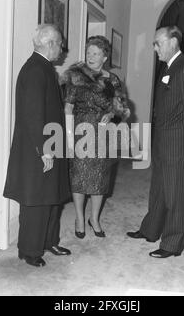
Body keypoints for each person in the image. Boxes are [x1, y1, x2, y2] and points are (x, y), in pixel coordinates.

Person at [127, 26, 184, 258]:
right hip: (162, 141)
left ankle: (172, 244)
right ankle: (151, 230)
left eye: (158, 43)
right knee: (158, 191)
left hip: (178, 144)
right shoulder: (167, 67)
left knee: (176, 196)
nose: (154, 47)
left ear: (173, 42)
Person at [3, 24, 71, 267]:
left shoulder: (44, 68)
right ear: (50, 44)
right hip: (39, 150)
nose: (61, 50)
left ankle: (49, 240)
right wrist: (44, 150)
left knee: (52, 197)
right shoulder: (34, 70)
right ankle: (29, 250)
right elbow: (32, 116)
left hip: (50, 144)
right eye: (60, 45)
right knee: (36, 201)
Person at [61, 35, 130, 239]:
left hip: (103, 134)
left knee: (100, 179)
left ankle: (95, 218)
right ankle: (80, 219)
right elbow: (68, 108)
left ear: (104, 57)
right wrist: (69, 139)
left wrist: (112, 114)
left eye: (96, 53)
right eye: (89, 52)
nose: (91, 56)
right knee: (79, 177)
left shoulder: (113, 79)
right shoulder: (75, 75)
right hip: (81, 132)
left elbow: (123, 109)